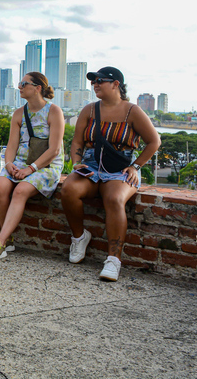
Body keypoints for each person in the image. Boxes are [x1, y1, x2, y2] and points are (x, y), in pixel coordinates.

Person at [60, 66, 160, 281]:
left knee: (114, 199)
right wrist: (76, 162)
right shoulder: (89, 110)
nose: (95, 84)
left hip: (120, 166)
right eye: (93, 81)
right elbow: (77, 140)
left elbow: (154, 141)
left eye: (100, 80)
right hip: (91, 164)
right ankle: (79, 237)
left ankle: (113, 259)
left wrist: (136, 166)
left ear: (116, 84)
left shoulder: (132, 111)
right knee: (68, 189)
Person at [0, 72, 64, 260]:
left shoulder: (54, 111)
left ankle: (0, 242)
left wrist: (31, 169)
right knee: (1, 186)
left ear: (37, 88)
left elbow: (54, 149)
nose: (19, 87)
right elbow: (12, 145)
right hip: (20, 162)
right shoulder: (19, 113)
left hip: (46, 165)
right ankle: (8, 239)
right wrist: (9, 164)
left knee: (20, 191)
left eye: (23, 83)